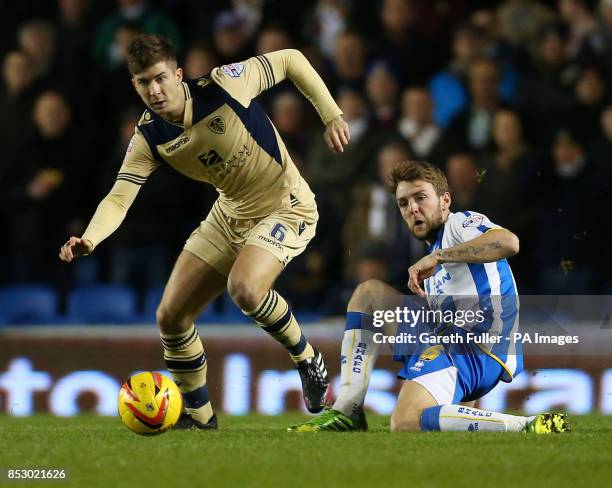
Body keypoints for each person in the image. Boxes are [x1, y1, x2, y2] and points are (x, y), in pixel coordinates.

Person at [59, 34, 350, 429]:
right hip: (228, 214)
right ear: (135, 86)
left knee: (245, 288)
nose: (155, 90)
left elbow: (291, 59)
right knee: (171, 317)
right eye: (144, 83)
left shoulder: (224, 85)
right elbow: (119, 197)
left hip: (286, 205)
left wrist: (331, 113)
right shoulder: (149, 137)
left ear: (178, 74)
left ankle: (308, 360)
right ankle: (200, 418)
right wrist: (91, 237)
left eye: (161, 78)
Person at [288, 161, 569, 434]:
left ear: (445, 201)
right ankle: (348, 411)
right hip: (451, 343)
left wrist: (439, 256)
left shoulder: (460, 224)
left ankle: (527, 425)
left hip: (478, 347)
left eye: (421, 197)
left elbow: (509, 242)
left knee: (406, 421)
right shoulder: (432, 250)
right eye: (403, 203)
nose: (413, 209)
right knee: (368, 295)